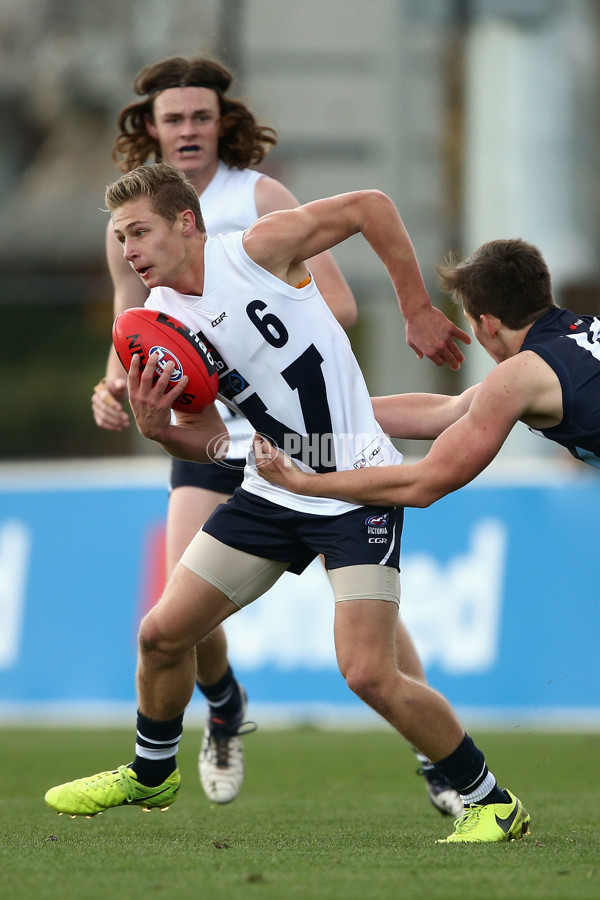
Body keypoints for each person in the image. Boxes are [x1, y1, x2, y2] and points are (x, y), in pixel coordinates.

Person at [44, 164, 528, 844]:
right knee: (160, 633)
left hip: (357, 488)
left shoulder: (255, 249)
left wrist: (418, 305)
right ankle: (152, 771)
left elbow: (371, 206)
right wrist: (164, 435)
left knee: (368, 674)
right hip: (273, 493)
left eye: (139, 232)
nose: (128, 251)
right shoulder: (160, 324)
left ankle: (490, 800)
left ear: (186, 223)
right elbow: (213, 439)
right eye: (121, 238)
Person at [90, 56, 463, 814]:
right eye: (173, 119)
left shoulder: (258, 202)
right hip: (217, 438)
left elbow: (335, 305)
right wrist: (119, 386)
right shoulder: (130, 229)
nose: (187, 129)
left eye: (200, 116)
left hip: (311, 435)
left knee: (373, 650)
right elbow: (136, 332)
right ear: (152, 129)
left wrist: (264, 336)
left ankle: (440, 760)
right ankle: (221, 710)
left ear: (219, 122)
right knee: (174, 620)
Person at [254, 238, 600, 508]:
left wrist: (303, 484)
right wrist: (310, 412)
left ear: (487, 325)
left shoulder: (520, 376)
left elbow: (425, 483)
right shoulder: (576, 337)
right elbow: (447, 412)